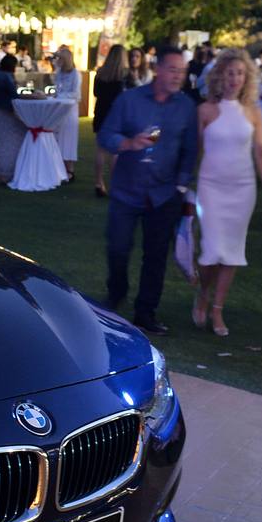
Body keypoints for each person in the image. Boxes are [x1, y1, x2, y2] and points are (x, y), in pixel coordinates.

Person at [97, 46, 198, 335]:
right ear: (158, 69)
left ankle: (146, 311)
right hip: (127, 189)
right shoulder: (130, 101)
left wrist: (180, 184)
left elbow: (190, 150)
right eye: (173, 69)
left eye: (182, 71)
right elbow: (105, 135)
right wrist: (128, 144)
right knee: (117, 247)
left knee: (155, 256)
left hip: (164, 193)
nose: (178, 76)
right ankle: (117, 291)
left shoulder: (186, 107)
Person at [193, 49, 262, 337]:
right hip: (210, 186)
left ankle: (217, 309)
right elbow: (196, 151)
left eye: (240, 73)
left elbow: (261, 152)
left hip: (242, 188)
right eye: (229, 73)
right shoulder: (205, 110)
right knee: (211, 251)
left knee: (231, 253)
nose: (234, 79)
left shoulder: (254, 112)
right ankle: (203, 292)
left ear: (247, 78)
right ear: (219, 76)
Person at [92, 45, 128, 198]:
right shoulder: (123, 75)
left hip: (101, 112)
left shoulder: (100, 72)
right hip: (115, 115)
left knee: (100, 150)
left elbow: (95, 92)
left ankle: (99, 182)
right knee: (115, 152)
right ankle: (115, 185)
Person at [0, 54, 25, 184]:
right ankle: (7, 173)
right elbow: (14, 95)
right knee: (10, 144)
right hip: (6, 113)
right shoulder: (6, 77)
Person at [52, 47, 82, 180]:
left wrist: (61, 96)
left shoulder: (76, 74)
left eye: (60, 58)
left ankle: (70, 169)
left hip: (70, 110)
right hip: (59, 109)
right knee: (58, 137)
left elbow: (76, 94)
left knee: (69, 139)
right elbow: (56, 87)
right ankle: (58, 168)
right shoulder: (59, 73)